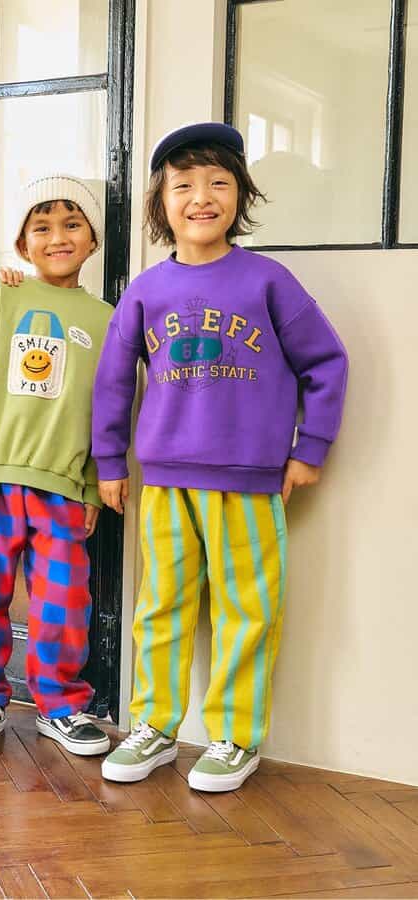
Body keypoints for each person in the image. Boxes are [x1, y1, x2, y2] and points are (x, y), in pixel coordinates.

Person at [93, 123, 348, 791]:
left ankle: (236, 737)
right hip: (165, 483)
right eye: (183, 185)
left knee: (246, 612)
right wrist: (110, 462)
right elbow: (113, 382)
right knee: (161, 608)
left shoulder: (269, 281)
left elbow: (326, 362)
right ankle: (154, 726)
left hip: (250, 483)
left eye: (218, 183)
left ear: (240, 196)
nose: (201, 197)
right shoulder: (146, 291)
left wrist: (310, 448)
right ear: (161, 201)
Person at [0, 174, 113, 757]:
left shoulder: (107, 318)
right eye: (42, 227)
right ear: (22, 243)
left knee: (63, 604)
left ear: (93, 239)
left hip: (62, 487)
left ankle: (60, 705)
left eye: (72, 224)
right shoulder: (2, 296)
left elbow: (105, 409)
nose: (58, 237)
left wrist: (90, 485)